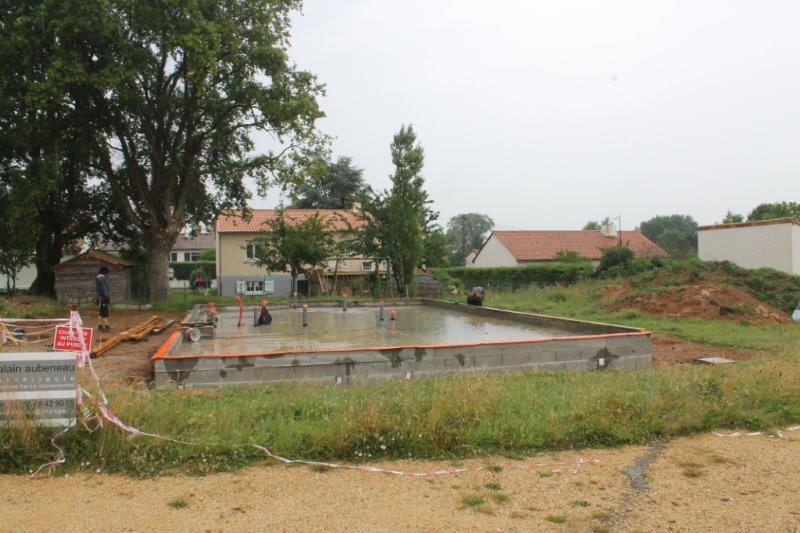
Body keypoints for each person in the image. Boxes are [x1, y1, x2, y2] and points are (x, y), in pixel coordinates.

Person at [96, 266, 111, 331]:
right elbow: (104, 288)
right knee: (104, 311)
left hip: (101, 296)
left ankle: (102, 325)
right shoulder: (101, 279)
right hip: (103, 297)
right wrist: (106, 296)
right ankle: (105, 326)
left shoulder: (99, 278)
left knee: (102, 311)